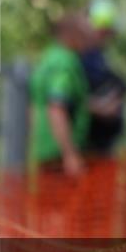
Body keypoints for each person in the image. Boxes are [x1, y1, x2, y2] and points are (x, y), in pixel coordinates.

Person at [30, 12, 92, 177]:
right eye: (84, 32)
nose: (88, 37)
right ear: (70, 34)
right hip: (58, 158)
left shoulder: (49, 56)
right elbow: (57, 107)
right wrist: (69, 154)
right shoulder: (65, 62)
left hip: (42, 151)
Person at [80, 0, 126, 155]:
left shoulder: (99, 55)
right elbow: (70, 96)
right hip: (84, 144)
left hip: (101, 144)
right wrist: (99, 107)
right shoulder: (78, 56)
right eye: (105, 32)